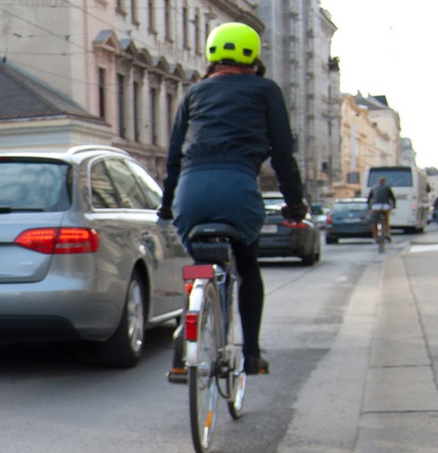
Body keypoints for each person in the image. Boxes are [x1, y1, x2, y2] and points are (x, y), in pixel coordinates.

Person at [158, 22, 306, 376]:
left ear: (211, 55)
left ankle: (187, 338)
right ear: (252, 56)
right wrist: (295, 204)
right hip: (238, 189)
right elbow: (283, 155)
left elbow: (174, 156)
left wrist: (166, 205)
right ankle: (252, 355)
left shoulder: (193, 93)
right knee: (247, 267)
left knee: (198, 268)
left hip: (191, 194)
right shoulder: (265, 90)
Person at [367, 176, 396, 243]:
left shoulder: (373, 188)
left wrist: (369, 206)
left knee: (374, 222)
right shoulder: (387, 188)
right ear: (384, 182)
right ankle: (388, 234)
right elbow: (392, 198)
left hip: (375, 207)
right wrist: (394, 205)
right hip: (385, 206)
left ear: (378, 181)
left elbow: (369, 198)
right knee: (386, 221)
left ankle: (375, 237)